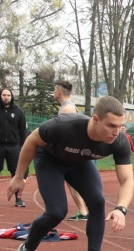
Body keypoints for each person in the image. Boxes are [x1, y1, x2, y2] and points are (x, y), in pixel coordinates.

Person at [6, 96, 134, 251]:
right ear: (95, 119)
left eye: (120, 126)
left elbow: (127, 180)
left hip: (79, 164)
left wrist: (121, 208)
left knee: (98, 202)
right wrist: (18, 176)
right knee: (57, 211)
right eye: (111, 126)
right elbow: (31, 140)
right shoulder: (65, 126)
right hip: (50, 160)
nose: (116, 132)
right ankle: (28, 250)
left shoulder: (119, 141)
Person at [52, 80, 90, 221]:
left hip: (71, 153)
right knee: (75, 182)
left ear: (59, 91)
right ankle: (86, 209)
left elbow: (68, 134)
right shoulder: (66, 107)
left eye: (54, 90)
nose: (53, 93)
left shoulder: (68, 109)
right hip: (71, 152)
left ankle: (84, 211)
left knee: (74, 182)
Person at [0, 89, 27, 207]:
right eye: (4, 95)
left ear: (11, 97)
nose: (6, 97)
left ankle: (18, 199)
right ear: (0, 96)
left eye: (8, 95)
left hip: (13, 146)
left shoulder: (18, 111)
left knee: (15, 172)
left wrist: (24, 145)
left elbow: (22, 130)